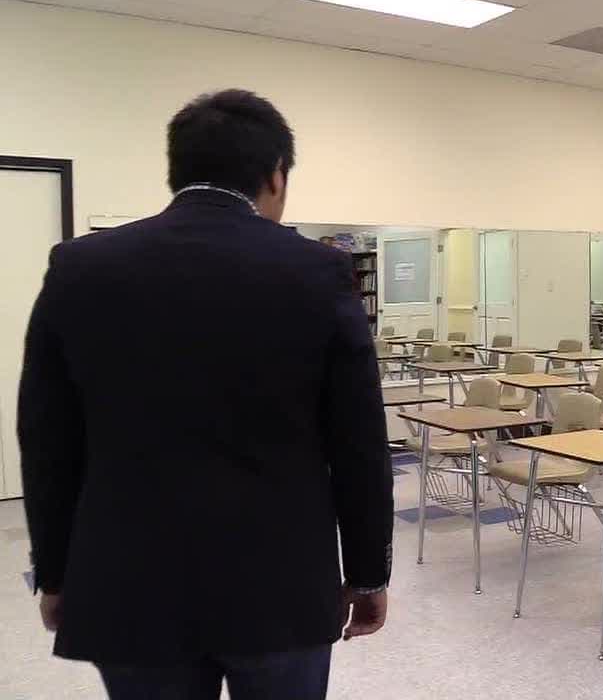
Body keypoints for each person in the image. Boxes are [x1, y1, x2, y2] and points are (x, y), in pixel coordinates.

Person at [18, 89, 393, 700]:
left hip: (129, 582)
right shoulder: (317, 272)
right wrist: (368, 572)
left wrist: (56, 573)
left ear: (176, 171)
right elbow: (359, 443)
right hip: (281, 585)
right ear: (275, 175)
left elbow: (47, 440)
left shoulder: (81, 267)